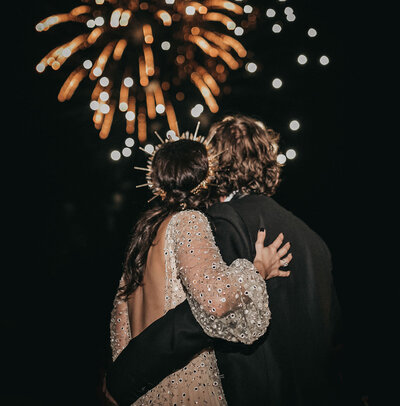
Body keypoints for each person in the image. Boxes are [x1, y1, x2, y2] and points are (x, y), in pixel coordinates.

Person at [106, 115, 343, 406]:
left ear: (214, 165)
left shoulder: (220, 222)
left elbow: (200, 317)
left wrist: (125, 374)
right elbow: (331, 335)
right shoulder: (316, 242)